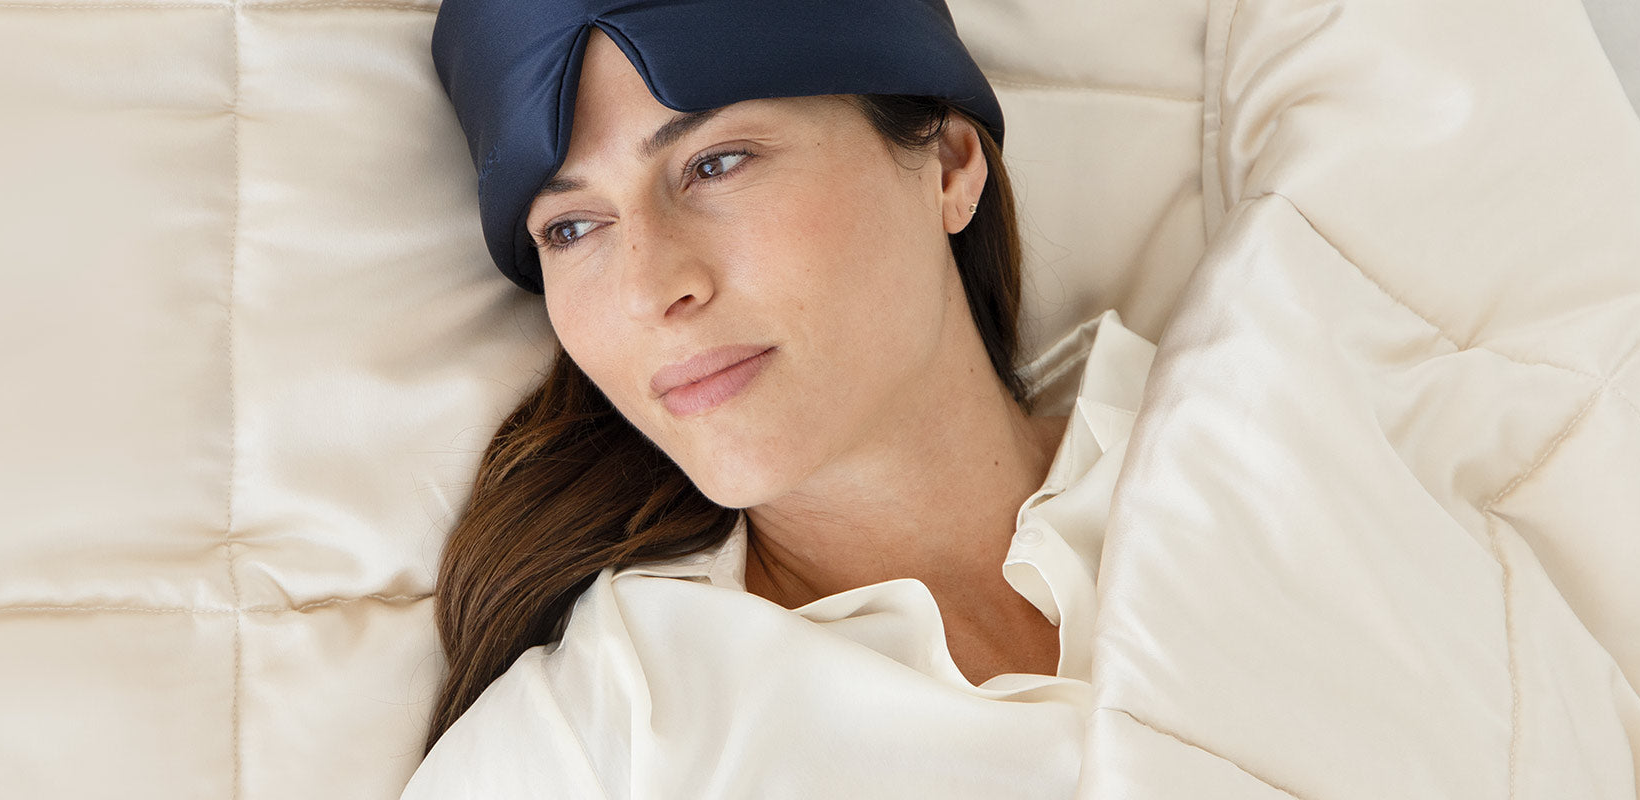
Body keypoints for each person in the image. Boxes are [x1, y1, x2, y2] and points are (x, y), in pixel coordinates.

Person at [408, 1, 1158, 795]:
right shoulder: (589, 742)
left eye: (717, 163)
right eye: (571, 228)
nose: (651, 289)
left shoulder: (1254, 422)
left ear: (949, 164)